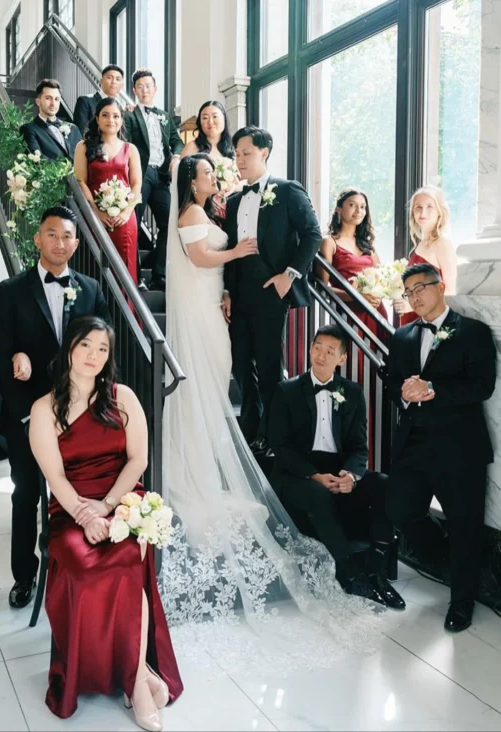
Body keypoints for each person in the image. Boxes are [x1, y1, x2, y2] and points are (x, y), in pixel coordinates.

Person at [162, 154, 384, 672]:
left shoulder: (270, 194)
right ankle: (198, 465)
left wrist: (279, 273)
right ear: (190, 182)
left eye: (230, 164)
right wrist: (236, 250)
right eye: (209, 174)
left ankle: (229, 448)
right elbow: (198, 259)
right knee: (218, 384)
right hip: (204, 308)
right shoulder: (192, 215)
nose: (219, 175)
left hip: (223, 304)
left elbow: (304, 234)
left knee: (229, 381)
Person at [29, 316, 183, 726]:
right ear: (69, 349)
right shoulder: (44, 408)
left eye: (102, 349)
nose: (94, 356)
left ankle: (133, 681)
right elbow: (54, 476)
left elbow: (139, 459)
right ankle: (134, 675)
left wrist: (109, 505)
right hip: (69, 508)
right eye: (86, 345)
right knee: (82, 565)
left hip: (121, 502)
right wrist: (83, 512)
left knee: (127, 558)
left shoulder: (123, 397)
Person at [0, 206, 111, 610]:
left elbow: (103, 351)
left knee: (76, 491)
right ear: (37, 239)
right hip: (27, 414)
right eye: (51, 234)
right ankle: (24, 575)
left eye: (67, 237)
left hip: (79, 416)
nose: (60, 243)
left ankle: (76, 566)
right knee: (26, 495)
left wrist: (96, 407)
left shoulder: (91, 289)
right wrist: (28, 415)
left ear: (77, 243)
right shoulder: (10, 291)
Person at [386, 263, 496, 633]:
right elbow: (390, 383)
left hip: (460, 447)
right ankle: (441, 556)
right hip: (413, 443)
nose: (415, 297)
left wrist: (432, 390)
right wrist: (403, 393)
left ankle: (461, 604)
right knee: (400, 509)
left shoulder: (473, 332)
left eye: (421, 288)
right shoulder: (401, 336)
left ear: (441, 285)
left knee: (466, 527)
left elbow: (483, 386)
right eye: (409, 292)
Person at [269, 324, 405, 610]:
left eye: (330, 351)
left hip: (339, 468)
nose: (321, 355)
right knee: (318, 495)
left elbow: (358, 447)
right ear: (310, 349)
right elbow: (279, 448)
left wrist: (351, 476)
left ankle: (376, 571)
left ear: (341, 359)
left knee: (384, 484)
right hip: (298, 473)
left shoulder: (352, 392)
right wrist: (315, 475)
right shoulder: (287, 390)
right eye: (317, 347)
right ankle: (350, 574)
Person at [222, 126, 322, 456]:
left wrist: (288, 276)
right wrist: (226, 291)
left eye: (246, 154)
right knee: (239, 364)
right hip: (239, 293)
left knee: (268, 366)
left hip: (271, 291)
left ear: (264, 153)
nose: (240, 160)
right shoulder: (234, 201)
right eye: (236, 154)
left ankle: (271, 434)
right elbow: (230, 251)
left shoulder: (288, 190)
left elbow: (312, 234)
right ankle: (250, 429)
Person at [319, 188, 389, 398]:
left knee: (379, 366)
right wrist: (356, 297)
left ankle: (378, 425)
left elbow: (382, 278)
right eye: (352, 204)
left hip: (376, 313)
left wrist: (381, 292)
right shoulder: (329, 242)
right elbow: (323, 287)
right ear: (339, 209)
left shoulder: (369, 247)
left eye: (363, 206)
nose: (359, 210)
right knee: (355, 368)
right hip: (350, 315)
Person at [123, 69, 184, 291]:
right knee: (134, 224)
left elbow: (177, 141)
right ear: (134, 90)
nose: (145, 90)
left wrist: (176, 155)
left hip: (161, 175)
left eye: (148, 86)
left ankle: (159, 274)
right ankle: (136, 277)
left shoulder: (164, 116)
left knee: (169, 224)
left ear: (155, 89)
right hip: (140, 173)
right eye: (140, 86)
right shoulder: (128, 115)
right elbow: (126, 143)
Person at [74, 98, 142, 284]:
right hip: (93, 216)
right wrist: (96, 212)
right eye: (105, 115)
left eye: (116, 116)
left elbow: (136, 184)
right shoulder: (83, 147)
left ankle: (126, 312)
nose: (110, 120)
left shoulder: (131, 149)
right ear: (97, 119)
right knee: (95, 266)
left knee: (124, 266)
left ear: (121, 120)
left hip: (124, 218)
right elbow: (81, 181)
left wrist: (127, 211)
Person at [393, 186, 457, 325]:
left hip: (430, 320)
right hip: (413, 319)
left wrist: (413, 305)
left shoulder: (442, 243)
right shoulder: (421, 244)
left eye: (429, 207)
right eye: (418, 207)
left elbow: (450, 292)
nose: (423, 212)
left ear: (439, 212)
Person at [180, 100, 242, 219]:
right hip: (203, 209)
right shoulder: (192, 147)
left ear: (224, 119)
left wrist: (231, 188)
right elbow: (182, 181)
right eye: (205, 118)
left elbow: (244, 179)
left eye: (215, 116)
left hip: (232, 206)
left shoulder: (234, 148)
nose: (210, 122)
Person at [20, 79, 82, 161]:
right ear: (38, 102)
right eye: (48, 98)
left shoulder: (73, 128)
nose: (53, 103)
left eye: (56, 99)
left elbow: (83, 156)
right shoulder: (28, 129)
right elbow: (38, 160)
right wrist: (68, 170)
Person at [72, 64, 124, 136]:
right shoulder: (85, 101)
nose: (113, 82)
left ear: (122, 85)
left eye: (118, 79)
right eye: (109, 77)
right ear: (101, 81)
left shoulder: (121, 107)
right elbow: (81, 132)